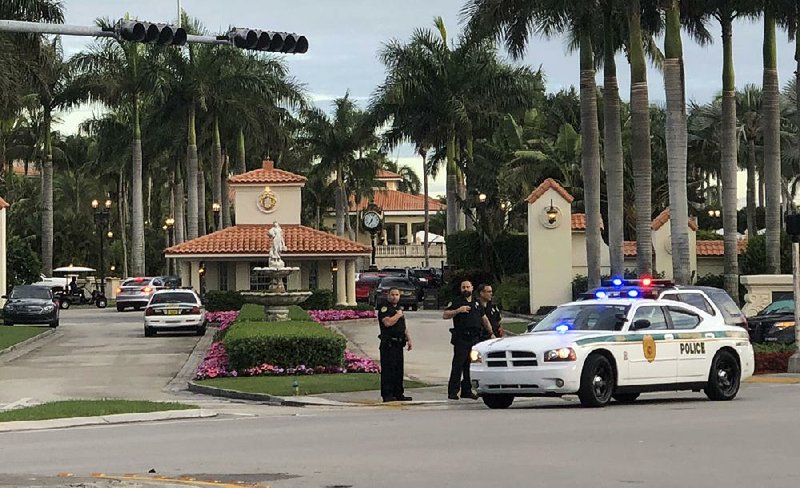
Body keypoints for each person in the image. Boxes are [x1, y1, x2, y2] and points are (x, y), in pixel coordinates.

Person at [442, 280, 495, 400]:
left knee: (470, 365)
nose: (466, 289)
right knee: (458, 365)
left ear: (472, 288)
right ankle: (453, 391)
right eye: (463, 287)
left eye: (468, 287)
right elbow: (445, 315)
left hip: (475, 338)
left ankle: (467, 390)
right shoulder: (457, 301)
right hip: (462, 338)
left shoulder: (477, 303)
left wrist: (491, 333)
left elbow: (484, 318)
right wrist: (457, 311)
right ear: (461, 289)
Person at [377, 288, 413, 402]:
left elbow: (403, 326)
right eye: (392, 294)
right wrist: (398, 315)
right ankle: (387, 394)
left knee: (398, 370)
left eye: (397, 295)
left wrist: (409, 339)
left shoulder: (398, 309)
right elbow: (387, 323)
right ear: (388, 296)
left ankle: (398, 393)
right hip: (389, 344)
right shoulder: (385, 308)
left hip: (399, 343)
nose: (394, 297)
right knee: (389, 370)